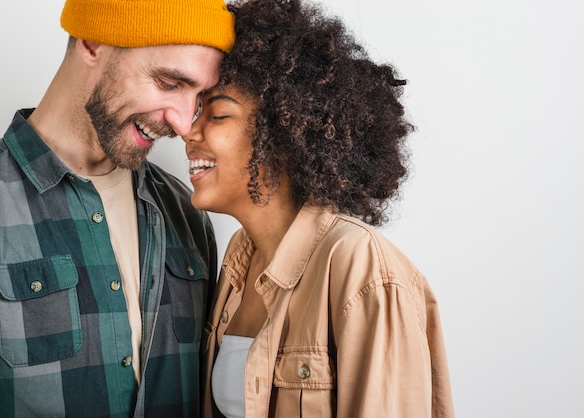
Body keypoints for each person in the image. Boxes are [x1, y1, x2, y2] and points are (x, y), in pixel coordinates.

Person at [0, 0, 234, 416]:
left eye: (198, 96)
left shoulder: (188, 211)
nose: (183, 124)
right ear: (92, 42)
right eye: (168, 82)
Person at [183, 0, 455, 416]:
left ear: (286, 135)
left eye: (217, 114)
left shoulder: (361, 267)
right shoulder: (240, 258)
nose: (189, 130)